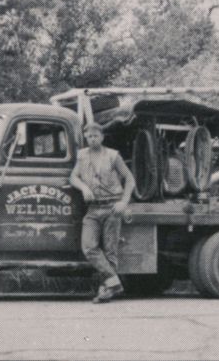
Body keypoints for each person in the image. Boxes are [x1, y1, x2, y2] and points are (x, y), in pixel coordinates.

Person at [70, 122, 136, 303]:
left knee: (110, 250)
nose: (92, 139)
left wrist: (124, 202)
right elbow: (73, 176)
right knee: (89, 247)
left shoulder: (113, 155)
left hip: (112, 207)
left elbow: (130, 179)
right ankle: (114, 282)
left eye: (96, 136)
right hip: (93, 208)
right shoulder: (82, 155)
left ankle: (106, 290)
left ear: (102, 137)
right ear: (86, 137)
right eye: (89, 136)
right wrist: (84, 187)